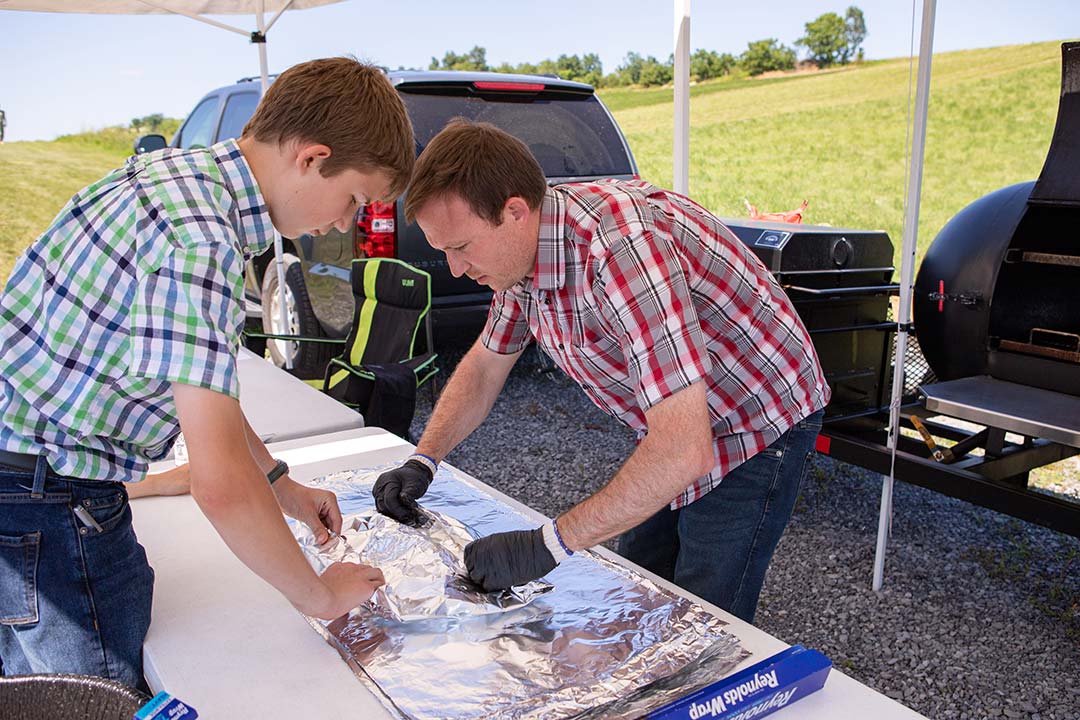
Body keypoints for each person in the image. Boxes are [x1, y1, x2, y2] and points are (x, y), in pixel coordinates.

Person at [0, 57, 415, 688]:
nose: (344, 225)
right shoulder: (203, 240)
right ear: (309, 157)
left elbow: (202, 396)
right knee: (96, 694)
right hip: (47, 503)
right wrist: (319, 596)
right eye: (354, 199)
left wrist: (280, 483)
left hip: (23, 481)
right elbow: (218, 483)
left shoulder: (175, 173)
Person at [372, 120, 829, 623]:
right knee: (641, 583)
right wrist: (424, 460)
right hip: (677, 417)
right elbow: (485, 364)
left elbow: (684, 449)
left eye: (461, 248)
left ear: (515, 211)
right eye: (444, 251)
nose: (455, 269)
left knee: (707, 608)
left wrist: (545, 546)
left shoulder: (621, 249)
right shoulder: (516, 256)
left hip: (756, 412)